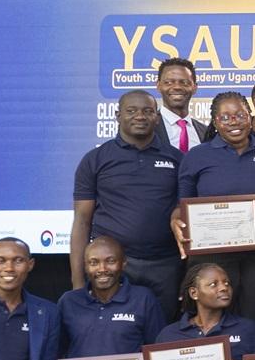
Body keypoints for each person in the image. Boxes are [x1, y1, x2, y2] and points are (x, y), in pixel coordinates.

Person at [71, 90, 183, 310]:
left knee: (160, 336)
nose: (140, 116)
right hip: (114, 265)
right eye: (131, 111)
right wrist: (77, 282)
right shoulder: (95, 160)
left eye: (147, 111)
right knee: (115, 334)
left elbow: (184, 212)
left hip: (166, 265)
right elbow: (82, 221)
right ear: (117, 115)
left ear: (157, 117)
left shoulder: (177, 158)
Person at [174, 91, 255, 323]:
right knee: (211, 319)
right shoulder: (196, 156)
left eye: (240, 115)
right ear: (215, 122)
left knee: (254, 318)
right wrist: (175, 220)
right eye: (225, 117)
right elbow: (182, 204)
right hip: (209, 256)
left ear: (250, 116)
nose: (234, 122)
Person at [154, 57, 210, 152]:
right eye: (169, 82)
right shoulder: (148, 128)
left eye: (184, 82)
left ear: (194, 87)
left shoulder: (206, 133)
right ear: (159, 86)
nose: (177, 87)